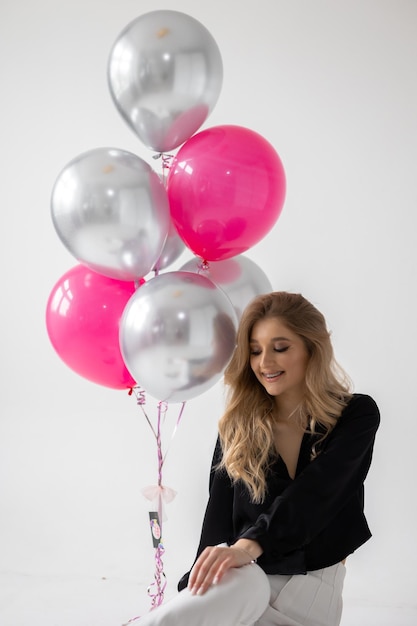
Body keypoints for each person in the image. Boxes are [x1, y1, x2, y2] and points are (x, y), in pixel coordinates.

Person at [138, 292, 380, 626]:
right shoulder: (237, 427)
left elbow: (317, 493)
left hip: (310, 595)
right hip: (241, 586)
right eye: (254, 350)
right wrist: (192, 591)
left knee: (243, 577)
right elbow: (217, 522)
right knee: (238, 581)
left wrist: (247, 547)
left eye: (280, 347)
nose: (264, 362)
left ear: (312, 348)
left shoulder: (355, 414)